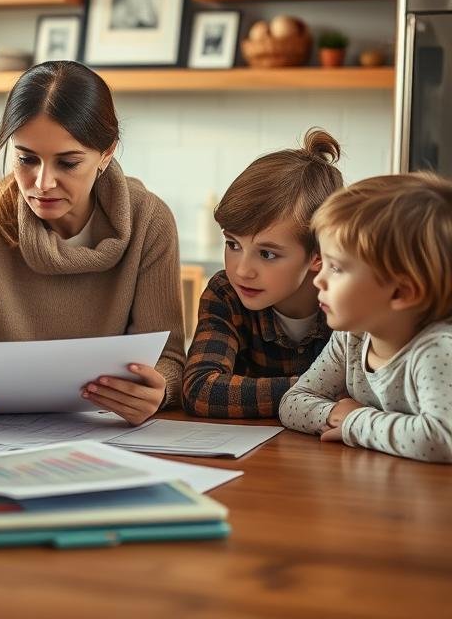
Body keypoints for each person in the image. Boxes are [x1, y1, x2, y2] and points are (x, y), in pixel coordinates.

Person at [0, 60, 184, 425]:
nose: (42, 183)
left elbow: (169, 359)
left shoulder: (150, 222)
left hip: (111, 432)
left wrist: (159, 391)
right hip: (2, 434)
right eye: (26, 159)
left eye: (68, 163)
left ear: (107, 152)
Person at [279, 173, 452, 463]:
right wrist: (334, 413)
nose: (319, 280)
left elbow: (442, 438)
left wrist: (356, 422)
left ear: (401, 292)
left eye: (336, 268)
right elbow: (293, 402)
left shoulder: (437, 350)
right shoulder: (353, 338)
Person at [183, 130, 342, 418]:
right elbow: (200, 389)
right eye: (233, 244)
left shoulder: (351, 302)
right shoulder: (225, 293)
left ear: (318, 255)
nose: (242, 271)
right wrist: (316, 393)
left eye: (267, 254)